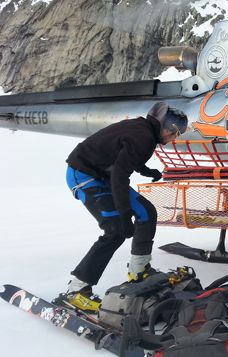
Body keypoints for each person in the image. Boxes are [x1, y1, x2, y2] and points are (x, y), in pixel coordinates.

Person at [58, 102, 188, 313]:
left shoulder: (144, 130)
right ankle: (77, 290)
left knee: (146, 212)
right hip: (83, 175)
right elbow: (120, 175)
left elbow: (121, 154)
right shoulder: (144, 136)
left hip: (102, 174)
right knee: (115, 229)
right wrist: (126, 216)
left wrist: (145, 171)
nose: (176, 138)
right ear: (166, 127)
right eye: (176, 133)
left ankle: (139, 270)